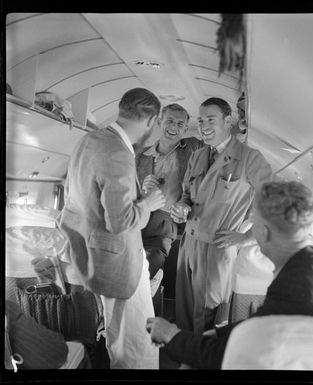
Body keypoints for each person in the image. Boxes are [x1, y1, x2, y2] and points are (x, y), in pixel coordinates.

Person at [146, 181, 313, 369]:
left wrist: (171, 336)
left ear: (263, 232)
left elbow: (222, 356)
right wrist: (219, 333)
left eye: (253, 223)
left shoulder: (297, 283)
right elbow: (263, 323)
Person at [58, 88, 166, 369]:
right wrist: (150, 204)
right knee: (136, 346)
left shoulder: (88, 140)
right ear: (151, 120)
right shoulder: (119, 153)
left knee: (117, 335)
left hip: (92, 255)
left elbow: (81, 199)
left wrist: (138, 197)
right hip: (117, 263)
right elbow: (120, 222)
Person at [170, 97, 273, 332]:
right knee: (184, 312)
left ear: (228, 121)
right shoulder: (197, 155)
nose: (203, 125)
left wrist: (246, 238)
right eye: (200, 120)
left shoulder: (250, 158)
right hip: (188, 243)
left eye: (210, 119)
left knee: (208, 315)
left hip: (217, 246)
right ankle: (186, 358)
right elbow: (187, 194)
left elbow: (274, 204)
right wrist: (181, 208)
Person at [136, 103, 203, 280]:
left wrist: (242, 128)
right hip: (137, 217)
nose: (174, 127)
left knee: (147, 269)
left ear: (186, 129)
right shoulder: (141, 155)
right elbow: (127, 191)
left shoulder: (193, 148)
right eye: (170, 121)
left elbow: (221, 145)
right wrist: (143, 191)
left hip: (165, 225)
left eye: (180, 124)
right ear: (159, 121)